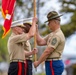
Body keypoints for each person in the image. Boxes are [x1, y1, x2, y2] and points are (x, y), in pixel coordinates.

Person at [34, 11, 65, 75]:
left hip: (54, 63)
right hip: (51, 63)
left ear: (55, 22)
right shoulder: (52, 34)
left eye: (49, 22)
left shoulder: (57, 35)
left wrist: (38, 62)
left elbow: (48, 51)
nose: (48, 24)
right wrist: (36, 31)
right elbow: (40, 42)